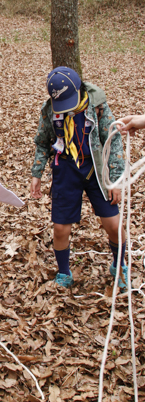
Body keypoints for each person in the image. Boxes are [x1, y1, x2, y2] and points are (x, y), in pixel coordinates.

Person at [30, 66, 127, 289]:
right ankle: (64, 272)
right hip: (66, 168)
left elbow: (113, 141)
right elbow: (42, 141)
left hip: (95, 167)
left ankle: (119, 265)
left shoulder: (97, 105)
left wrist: (115, 180)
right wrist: (37, 173)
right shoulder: (50, 110)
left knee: (113, 223)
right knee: (61, 228)